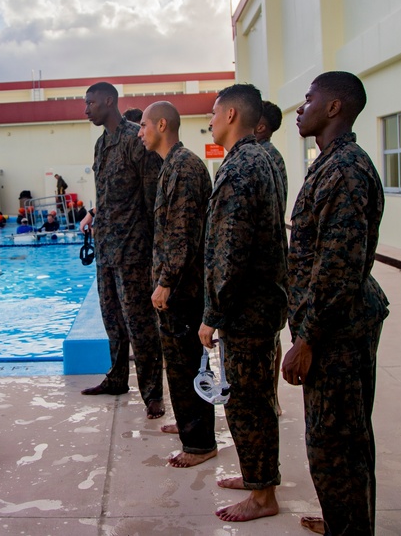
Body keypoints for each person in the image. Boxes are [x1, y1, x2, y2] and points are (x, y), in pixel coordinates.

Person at [281, 71, 387, 536]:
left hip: (336, 331)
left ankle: (350, 528)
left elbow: (338, 266)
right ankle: (345, 520)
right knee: (339, 439)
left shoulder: (344, 169)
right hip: (330, 326)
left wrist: (307, 338)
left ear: (334, 108)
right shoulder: (329, 163)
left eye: (308, 100)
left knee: (336, 444)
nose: (300, 109)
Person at [198, 83, 288, 522]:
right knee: (255, 399)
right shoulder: (263, 157)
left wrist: (211, 315)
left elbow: (231, 251)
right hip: (260, 304)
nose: (210, 122)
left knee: (247, 402)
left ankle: (263, 495)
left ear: (231, 115)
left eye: (214, 114)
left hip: (245, 309)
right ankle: (258, 477)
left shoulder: (239, 168)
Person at [137, 101, 217, 468]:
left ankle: (200, 444)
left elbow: (184, 233)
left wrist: (166, 282)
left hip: (183, 288)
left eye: (143, 125)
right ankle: (189, 426)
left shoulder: (183, 167)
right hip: (176, 285)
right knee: (179, 363)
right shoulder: (171, 166)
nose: (140, 132)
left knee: (186, 363)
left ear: (162, 124)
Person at [79, 81, 165, 419]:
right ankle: (116, 378)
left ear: (109, 101)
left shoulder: (134, 139)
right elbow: (107, 197)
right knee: (112, 320)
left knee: (140, 324)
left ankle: (153, 394)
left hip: (133, 250)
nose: (86, 110)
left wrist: (153, 252)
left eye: (90, 103)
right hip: (106, 250)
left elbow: (150, 199)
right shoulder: (101, 145)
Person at [255, 99, 288, 416]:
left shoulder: (266, 159)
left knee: (269, 339)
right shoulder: (261, 155)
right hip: (267, 265)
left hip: (266, 267)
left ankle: (270, 396)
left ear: (260, 126)